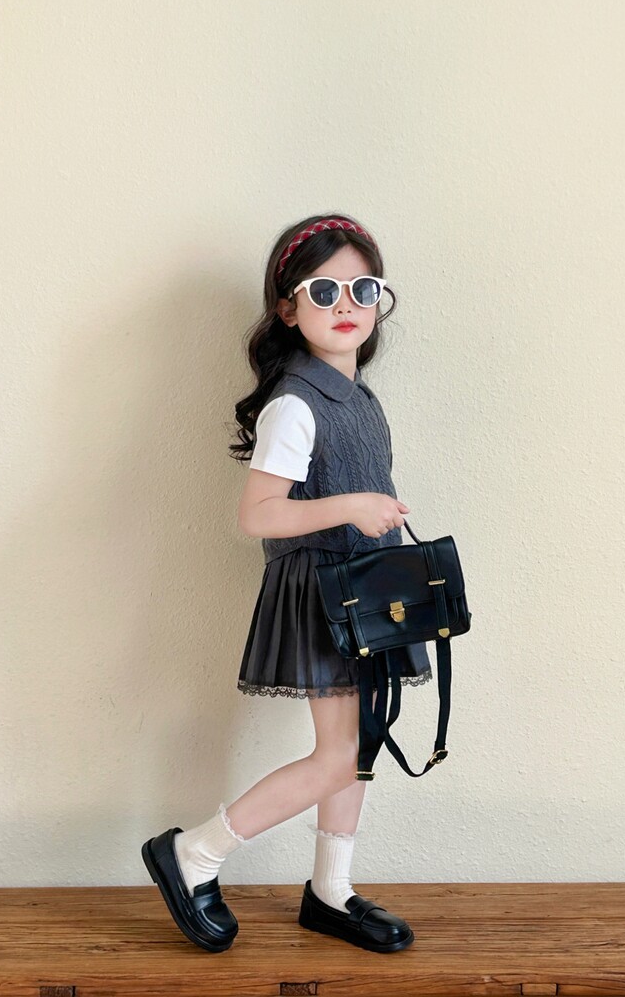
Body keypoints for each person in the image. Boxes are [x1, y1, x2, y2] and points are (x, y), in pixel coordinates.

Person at [142, 213, 433, 955]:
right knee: (338, 754)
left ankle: (331, 892)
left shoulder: (358, 397)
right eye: (324, 289)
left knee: (359, 745)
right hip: (323, 592)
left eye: (363, 288)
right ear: (287, 307)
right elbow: (258, 514)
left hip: (366, 589)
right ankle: (194, 853)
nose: (347, 303)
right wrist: (353, 506)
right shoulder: (295, 402)